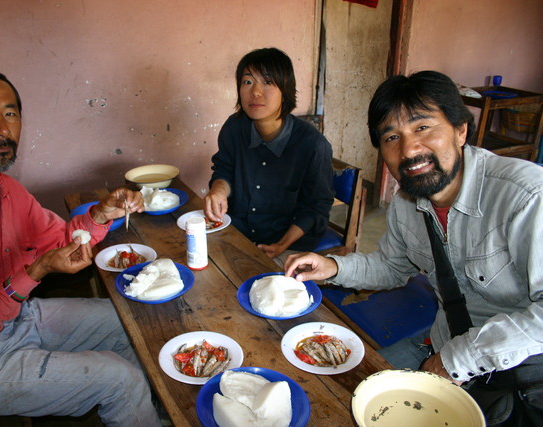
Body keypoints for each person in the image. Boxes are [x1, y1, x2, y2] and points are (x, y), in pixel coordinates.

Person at [0, 66, 161, 426]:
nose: (2, 129)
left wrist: (102, 214)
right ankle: (132, 405)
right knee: (121, 379)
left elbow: (60, 239)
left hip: (12, 320)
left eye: (10, 113)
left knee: (131, 321)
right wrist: (37, 270)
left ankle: (138, 414)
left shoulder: (6, 190)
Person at [284, 71, 543, 425]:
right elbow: (393, 266)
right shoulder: (409, 199)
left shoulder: (527, 197)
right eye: (392, 136)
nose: (408, 150)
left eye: (423, 128)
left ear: (460, 130)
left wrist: (458, 359)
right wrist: (334, 267)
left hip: (521, 371)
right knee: (339, 399)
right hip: (442, 345)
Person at [204, 47, 334, 260]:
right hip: (238, 231)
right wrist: (218, 191)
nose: (255, 92)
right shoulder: (234, 128)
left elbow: (316, 208)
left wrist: (282, 245)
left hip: (290, 243)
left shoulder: (312, 145)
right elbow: (224, 170)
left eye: (267, 82)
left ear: (286, 90)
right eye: (247, 82)